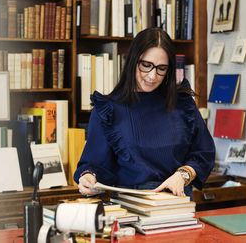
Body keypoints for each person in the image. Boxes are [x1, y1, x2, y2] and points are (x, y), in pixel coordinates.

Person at [74, 27, 215, 198]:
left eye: (161, 68)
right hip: (130, 207)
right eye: (146, 65)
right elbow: (94, 164)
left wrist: (182, 175)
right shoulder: (108, 109)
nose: (152, 76)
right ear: (133, 61)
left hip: (177, 205)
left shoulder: (182, 103)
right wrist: (88, 178)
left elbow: (204, 153)